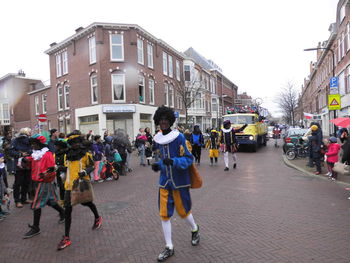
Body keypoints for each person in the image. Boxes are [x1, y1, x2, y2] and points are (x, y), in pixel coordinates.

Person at [152, 106, 200, 262]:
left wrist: (173, 161)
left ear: (170, 121)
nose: (163, 122)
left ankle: (194, 229)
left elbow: (188, 158)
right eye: (161, 120)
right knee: (164, 215)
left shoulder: (179, 138)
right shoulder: (157, 139)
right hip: (164, 182)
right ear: (158, 121)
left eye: (166, 120)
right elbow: (160, 159)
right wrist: (158, 165)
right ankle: (169, 247)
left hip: (179, 182)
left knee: (183, 212)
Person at [57, 130, 102, 251]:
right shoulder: (67, 155)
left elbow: (92, 166)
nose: (74, 145)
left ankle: (97, 217)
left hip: (81, 184)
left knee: (86, 202)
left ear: (80, 142)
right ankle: (66, 237)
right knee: (67, 210)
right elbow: (66, 167)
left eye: (76, 142)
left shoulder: (86, 154)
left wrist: (85, 172)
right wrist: (56, 168)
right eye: (72, 143)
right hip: (69, 185)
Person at [22, 134, 65, 239]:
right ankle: (63, 212)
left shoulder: (47, 154)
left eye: (34, 144)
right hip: (37, 181)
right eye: (31, 144)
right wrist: (26, 160)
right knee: (50, 201)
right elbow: (32, 160)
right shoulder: (37, 153)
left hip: (44, 182)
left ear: (39, 144)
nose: (32, 146)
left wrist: (46, 175)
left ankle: (36, 227)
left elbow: (52, 169)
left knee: (36, 204)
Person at [9, 127, 32, 208]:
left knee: (26, 182)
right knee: (18, 183)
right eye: (29, 132)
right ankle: (17, 201)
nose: (30, 133)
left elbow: (32, 149)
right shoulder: (15, 140)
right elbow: (11, 151)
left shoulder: (30, 140)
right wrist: (21, 154)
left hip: (28, 163)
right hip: (18, 165)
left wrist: (29, 153)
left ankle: (24, 198)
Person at [54, 139, 69, 204]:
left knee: (67, 187)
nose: (55, 147)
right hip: (58, 173)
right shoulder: (56, 153)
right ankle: (62, 201)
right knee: (61, 187)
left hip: (66, 173)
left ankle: (68, 201)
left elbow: (68, 166)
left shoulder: (66, 154)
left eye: (56, 146)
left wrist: (59, 167)